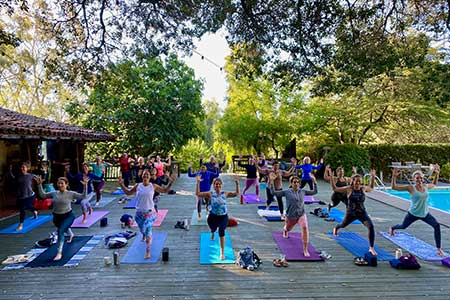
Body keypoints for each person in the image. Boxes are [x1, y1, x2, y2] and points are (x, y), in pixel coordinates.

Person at [118, 169, 175, 259]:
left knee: (148, 230)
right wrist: (121, 184)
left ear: (150, 176)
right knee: (142, 230)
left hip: (150, 213)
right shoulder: (138, 186)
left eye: (147, 174)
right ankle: (143, 234)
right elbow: (128, 193)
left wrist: (170, 183)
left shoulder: (153, 186)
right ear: (142, 176)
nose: (146, 176)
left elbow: (164, 190)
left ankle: (148, 252)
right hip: (139, 213)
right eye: (144, 175)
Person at [390, 166, 445, 257]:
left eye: (420, 178)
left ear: (422, 179)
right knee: (403, 226)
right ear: (413, 179)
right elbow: (394, 187)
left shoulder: (425, 186)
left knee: (436, 225)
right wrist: (394, 176)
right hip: (413, 214)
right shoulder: (410, 188)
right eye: (417, 178)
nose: (419, 179)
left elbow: (434, 184)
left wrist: (437, 174)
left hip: (425, 214)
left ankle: (438, 249)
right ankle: (392, 228)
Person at [35, 176, 87, 261]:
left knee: (61, 231)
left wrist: (85, 186)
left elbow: (83, 196)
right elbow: (43, 195)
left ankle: (59, 252)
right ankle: (71, 234)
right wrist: (39, 185)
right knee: (62, 227)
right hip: (57, 217)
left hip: (68, 215)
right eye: (58, 183)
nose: (60, 185)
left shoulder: (71, 194)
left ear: (66, 184)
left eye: (62, 183)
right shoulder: (54, 193)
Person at [331, 169, 377, 256]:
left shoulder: (363, 189)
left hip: (362, 213)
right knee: (343, 225)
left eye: (359, 181)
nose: (358, 183)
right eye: (356, 181)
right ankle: (336, 228)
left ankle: (371, 248)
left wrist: (373, 177)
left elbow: (371, 187)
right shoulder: (349, 189)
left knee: (371, 226)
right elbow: (335, 189)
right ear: (353, 181)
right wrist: (332, 179)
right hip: (350, 214)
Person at [272, 175, 317, 257]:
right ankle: (285, 230)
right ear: (291, 183)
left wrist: (314, 181)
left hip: (301, 214)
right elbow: (274, 193)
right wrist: (271, 182)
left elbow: (314, 192)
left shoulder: (303, 192)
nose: (296, 184)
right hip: (291, 216)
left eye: (297, 182)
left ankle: (305, 249)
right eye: (294, 182)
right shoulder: (286, 192)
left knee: (305, 227)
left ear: (299, 184)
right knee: (288, 228)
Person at [196, 175, 239, 260]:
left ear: (221, 185)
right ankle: (212, 232)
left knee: (221, 230)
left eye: (219, 184)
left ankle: (222, 253)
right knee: (213, 228)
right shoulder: (210, 194)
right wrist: (197, 183)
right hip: (213, 216)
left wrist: (237, 183)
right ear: (213, 185)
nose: (217, 185)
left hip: (223, 216)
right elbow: (198, 194)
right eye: (216, 184)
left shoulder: (225, 194)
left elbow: (236, 194)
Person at [8, 162, 38, 231]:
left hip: (30, 195)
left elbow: (39, 178)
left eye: (23, 167)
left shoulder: (31, 175)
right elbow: (12, 178)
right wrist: (10, 171)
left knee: (22, 209)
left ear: (27, 169)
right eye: (21, 167)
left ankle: (21, 224)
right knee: (28, 207)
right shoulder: (18, 176)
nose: (22, 168)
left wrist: (44, 173)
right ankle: (34, 211)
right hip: (21, 196)